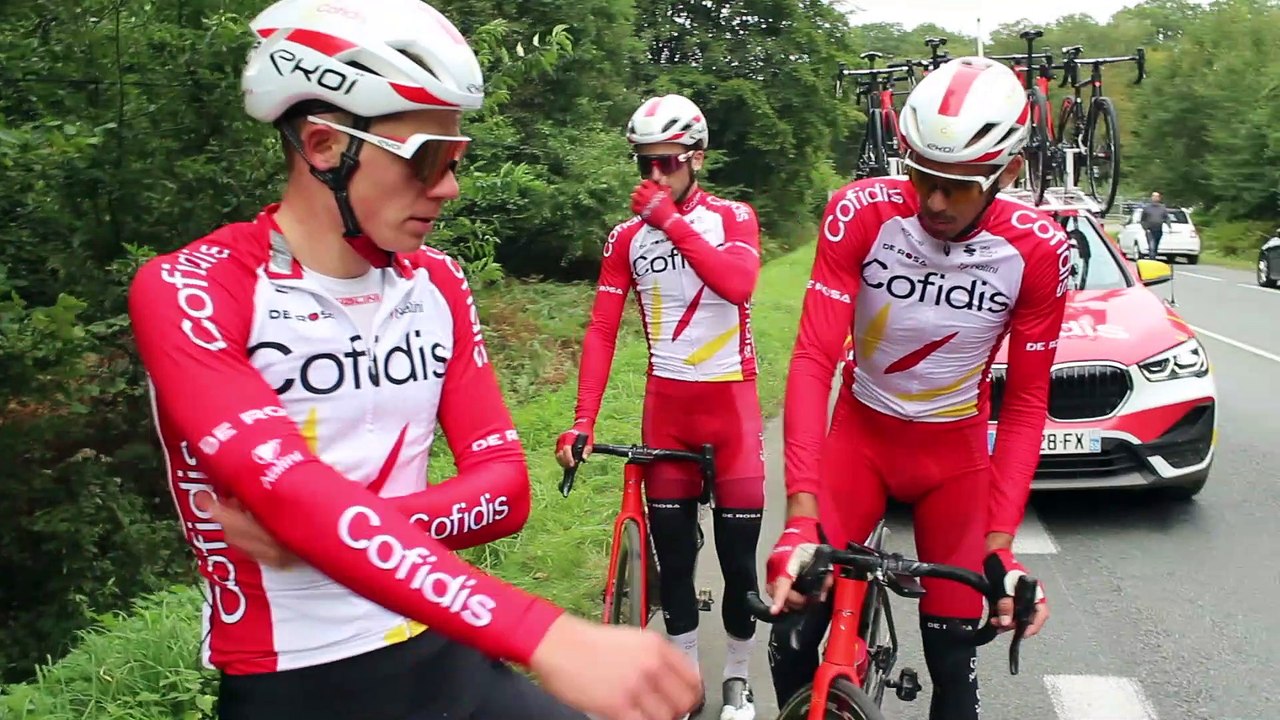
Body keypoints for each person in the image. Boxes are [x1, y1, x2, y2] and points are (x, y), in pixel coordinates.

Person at [126, 2, 701, 719]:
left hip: (441, 649)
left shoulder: (439, 283)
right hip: (294, 681)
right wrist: (542, 632)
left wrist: (321, 533)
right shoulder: (192, 289)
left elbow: (505, 493)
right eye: (428, 158)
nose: (449, 187)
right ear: (323, 144)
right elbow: (287, 489)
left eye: (457, 161)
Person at [764, 56, 1058, 719]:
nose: (933, 201)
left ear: (1010, 171)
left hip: (954, 464)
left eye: (958, 186)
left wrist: (999, 546)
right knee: (791, 635)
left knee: (953, 664)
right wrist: (799, 516)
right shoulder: (858, 213)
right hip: (860, 443)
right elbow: (814, 356)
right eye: (922, 175)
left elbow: (1029, 405)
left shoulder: (1037, 250)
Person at [554, 93, 766, 720]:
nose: (652, 179)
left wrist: (669, 220)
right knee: (674, 565)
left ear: (696, 158)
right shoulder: (625, 239)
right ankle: (687, 681)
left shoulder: (734, 219)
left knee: (738, 570)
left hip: (732, 410)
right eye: (643, 165)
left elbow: (738, 284)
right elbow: (600, 330)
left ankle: (736, 677)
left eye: (667, 164)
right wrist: (583, 419)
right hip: (666, 410)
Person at [1140, 191, 1170, 260]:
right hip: (1149, 230)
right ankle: (1152, 259)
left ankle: (1153, 255)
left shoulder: (1162, 208)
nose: (1155, 198)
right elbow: (1142, 219)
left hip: (1159, 230)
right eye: (1154, 196)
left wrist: (1169, 226)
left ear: (1159, 198)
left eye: (1157, 196)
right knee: (1152, 246)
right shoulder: (1147, 208)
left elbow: (1166, 218)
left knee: (1155, 245)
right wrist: (1145, 228)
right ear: (1151, 197)